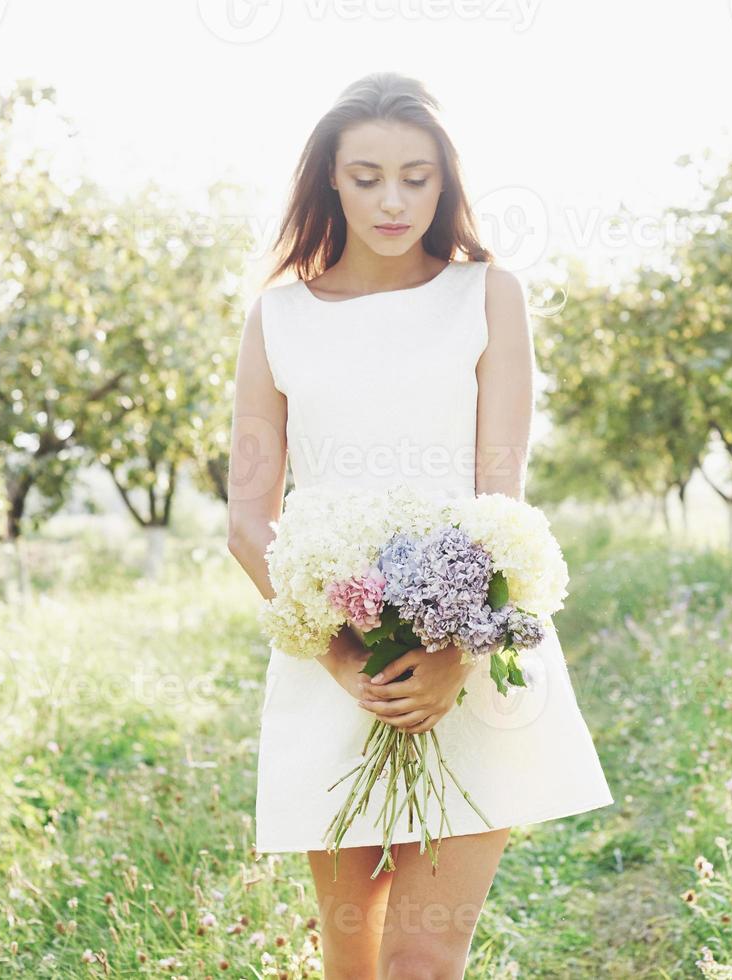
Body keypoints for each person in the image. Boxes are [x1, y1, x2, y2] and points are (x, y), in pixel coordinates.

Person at [225, 72, 614, 979]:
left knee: (423, 959)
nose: (392, 200)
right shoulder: (277, 317)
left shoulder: (488, 295)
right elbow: (250, 521)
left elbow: (498, 496)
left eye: (416, 177)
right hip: (332, 668)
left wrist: (455, 654)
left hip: (470, 659)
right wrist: (343, 658)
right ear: (328, 181)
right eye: (365, 177)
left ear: (447, 184)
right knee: (352, 954)